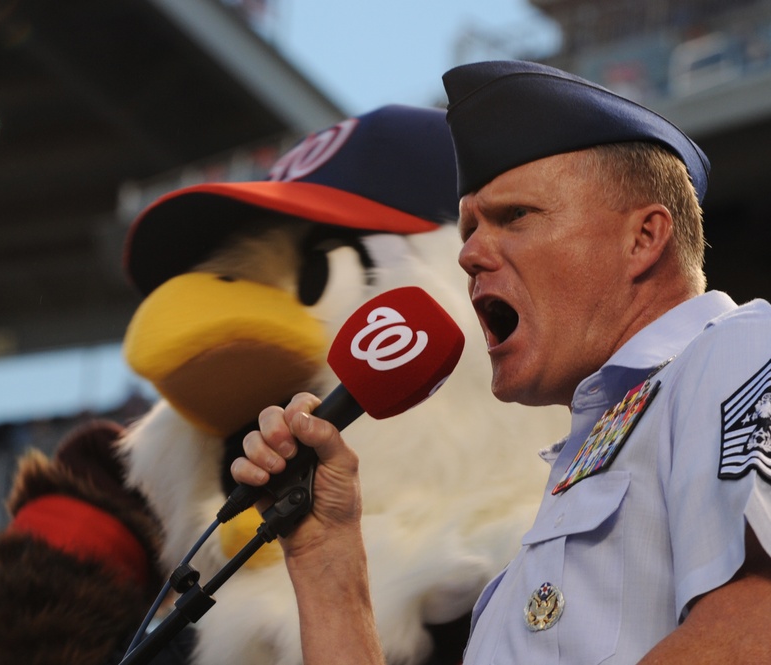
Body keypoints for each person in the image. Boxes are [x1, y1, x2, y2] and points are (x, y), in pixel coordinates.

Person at [230, 59, 771, 663]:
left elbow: (754, 629)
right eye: (467, 228)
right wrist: (327, 558)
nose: (470, 254)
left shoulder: (741, 347)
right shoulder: (559, 500)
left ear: (643, 238)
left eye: (515, 216)